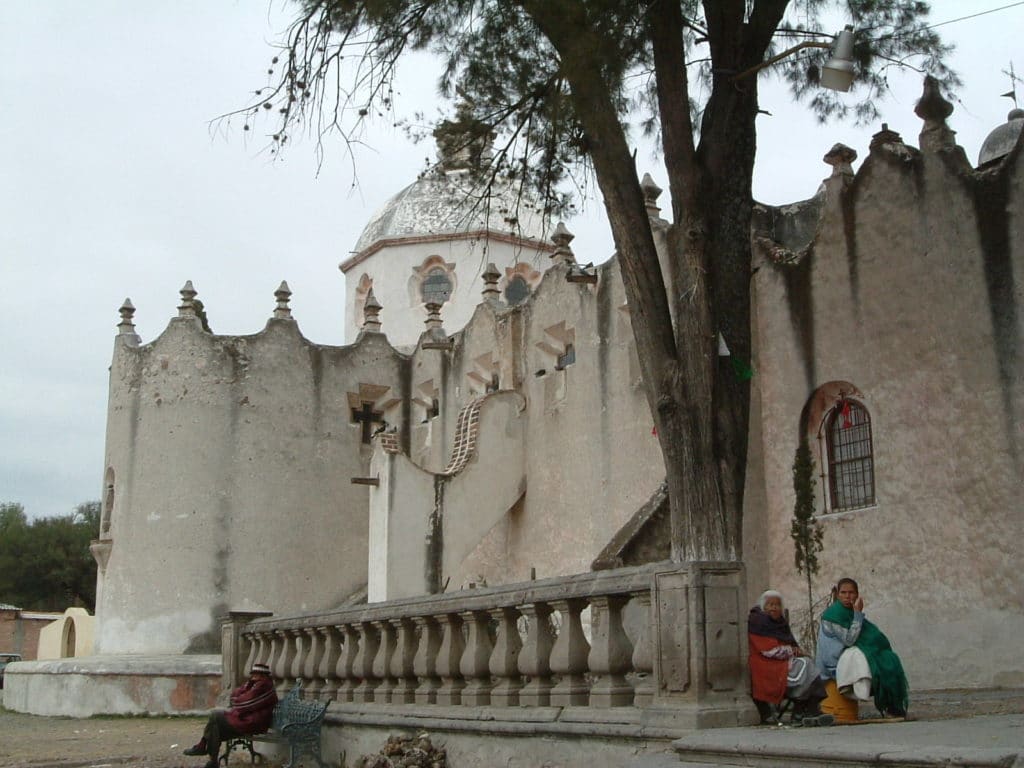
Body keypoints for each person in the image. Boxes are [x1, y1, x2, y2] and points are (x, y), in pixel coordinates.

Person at [817, 577, 909, 718]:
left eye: (851, 592)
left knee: (888, 660)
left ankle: (893, 706)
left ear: (857, 594)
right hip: (833, 663)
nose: (848, 596)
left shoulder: (851, 611)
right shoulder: (833, 615)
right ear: (838, 595)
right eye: (843, 592)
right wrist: (858, 615)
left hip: (848, 655)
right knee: (873, 664)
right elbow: (849, 640)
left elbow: (871, 635)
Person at [748, 589, 832, 726]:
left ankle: (806, 709)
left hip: (783, 662)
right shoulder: (758, 622)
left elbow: (790, 644)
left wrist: (795, 651)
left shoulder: (780, 623)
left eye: (777, 605)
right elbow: (767, 650)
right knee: (806, 665)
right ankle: (802, 710)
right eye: (770, 604)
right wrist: (793, 651)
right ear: (764, 607)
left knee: (807, 665)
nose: (774, 607)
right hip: (766, 665)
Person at [183, 662, 278, 768]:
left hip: (254, 723)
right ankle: (211, 760)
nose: (253, 676)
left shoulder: (264, 686)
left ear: (263, 675)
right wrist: (247, 686)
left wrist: (238, 700)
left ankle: (205, 750)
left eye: (256, 674)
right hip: (247, 719)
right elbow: (235, 695)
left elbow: (244, 703)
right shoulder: (255, 685)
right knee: (215, 728)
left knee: (215, 717)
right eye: (253, 674)